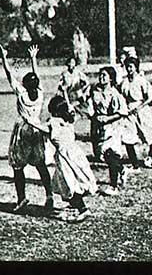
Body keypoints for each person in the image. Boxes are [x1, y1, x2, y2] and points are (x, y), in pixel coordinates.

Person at [0, 44, 55, 213]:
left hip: (23, 131)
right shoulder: (40, 93)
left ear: (25, 85)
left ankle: (21, 198)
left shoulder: (21, 93)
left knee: (18, 166)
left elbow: (9, 73)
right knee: (41, 165)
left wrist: (4, 57)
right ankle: (49, 195)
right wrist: (33, 58)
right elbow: (37, 75)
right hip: (37, 130)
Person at [26, 95, 98, 223]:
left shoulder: (53, 123)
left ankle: (82, 209)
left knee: (68, 183)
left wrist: (29, 120)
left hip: (65, 156)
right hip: (76, 153)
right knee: (76, 180)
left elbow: (43, 128)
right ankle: (76, 205)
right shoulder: (69, 118)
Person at [88, 67, 132, 195]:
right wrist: (94, 116)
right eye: (100, 75)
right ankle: (122, 169)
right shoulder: (95, 91)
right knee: (101, 155)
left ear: (111, 78)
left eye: (104, 76)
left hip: (112, 128)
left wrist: (108, 118)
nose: (101, 78)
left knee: (110, 154)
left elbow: (122, 112)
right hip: (99, 127)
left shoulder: (115, 94)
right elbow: (90, 107)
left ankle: (114, 186)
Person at [119, 57, 152, 168]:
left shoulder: (141, 81)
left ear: (136, 67)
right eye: (127, 67)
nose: (129, 69)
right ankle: (135, 164)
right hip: (128, 112)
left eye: (131, 66)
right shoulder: (124, 82)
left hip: (142, 110)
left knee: (151, 136)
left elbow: (149, 97)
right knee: (127, 138)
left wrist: (140, 107)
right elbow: (121, 96)